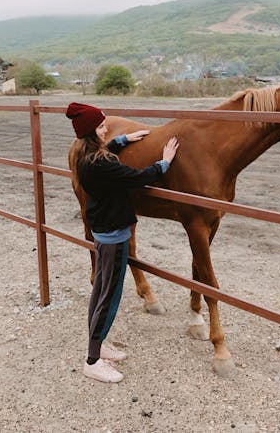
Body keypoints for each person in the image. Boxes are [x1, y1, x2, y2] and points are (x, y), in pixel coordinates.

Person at [66, 102, 179, 383]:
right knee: (109, 298)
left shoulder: (87, 156)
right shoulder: (101, 166)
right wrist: (164, 162)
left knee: (101, 294)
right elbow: (139, 177)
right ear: (92, 133)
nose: (107, 129)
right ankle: (92, 360)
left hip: (105, 235)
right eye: (102, 127)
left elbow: (106, 153)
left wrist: (123, 140)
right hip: (115, 239)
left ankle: (99, 344)